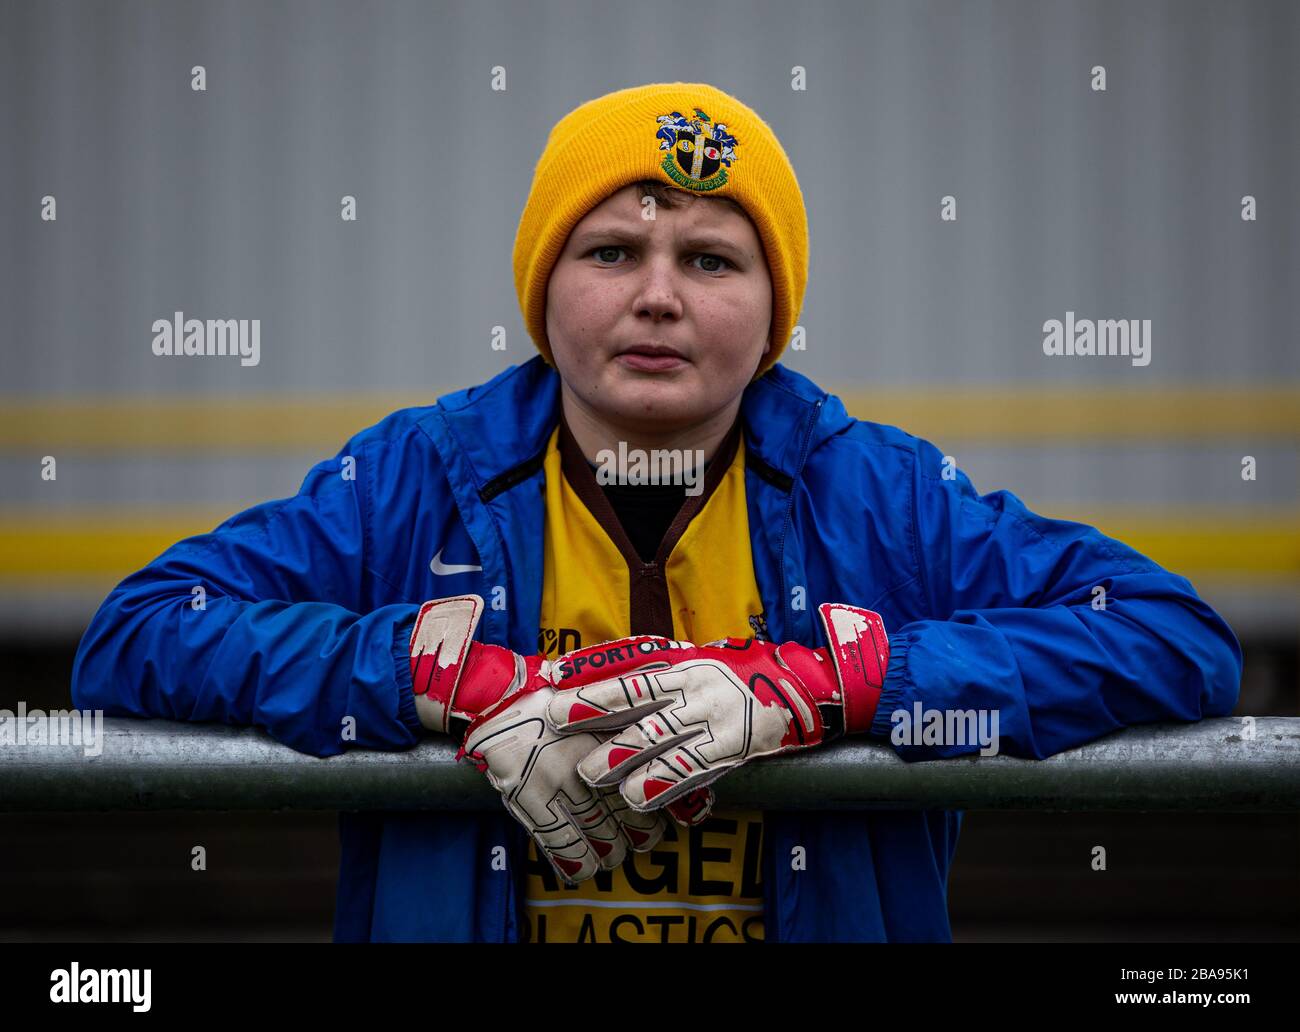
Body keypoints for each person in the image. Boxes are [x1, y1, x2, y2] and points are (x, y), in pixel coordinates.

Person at [71, 82, 1243, 943]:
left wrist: (826, 683)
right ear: (543, 290)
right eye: (612, 249)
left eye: (714, 260)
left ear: (776, 306)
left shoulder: (875, 489)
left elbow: (1176, 639)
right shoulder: (416, 473)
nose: (657, 297)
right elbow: (138, 630)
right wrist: (436, 679)